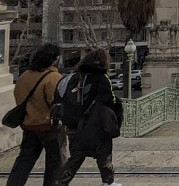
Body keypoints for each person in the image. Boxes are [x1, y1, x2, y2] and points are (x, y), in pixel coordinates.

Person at [55, 48, 122, 186]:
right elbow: (110, 100)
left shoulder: (71, 78)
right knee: (104, 157)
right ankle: (108, 182)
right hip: (96, 126)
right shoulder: (101, 78)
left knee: (76, 158)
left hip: (73, 126)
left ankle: (60, 182)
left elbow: (58, 99)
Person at [7, 43, 65, 186]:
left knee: (24, 161)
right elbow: (56, 103)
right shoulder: (53, 77)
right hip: (49, 127)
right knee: (55, 164)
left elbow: (19, 99)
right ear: (54, 59)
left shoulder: (24, 76)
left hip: (29, 125)